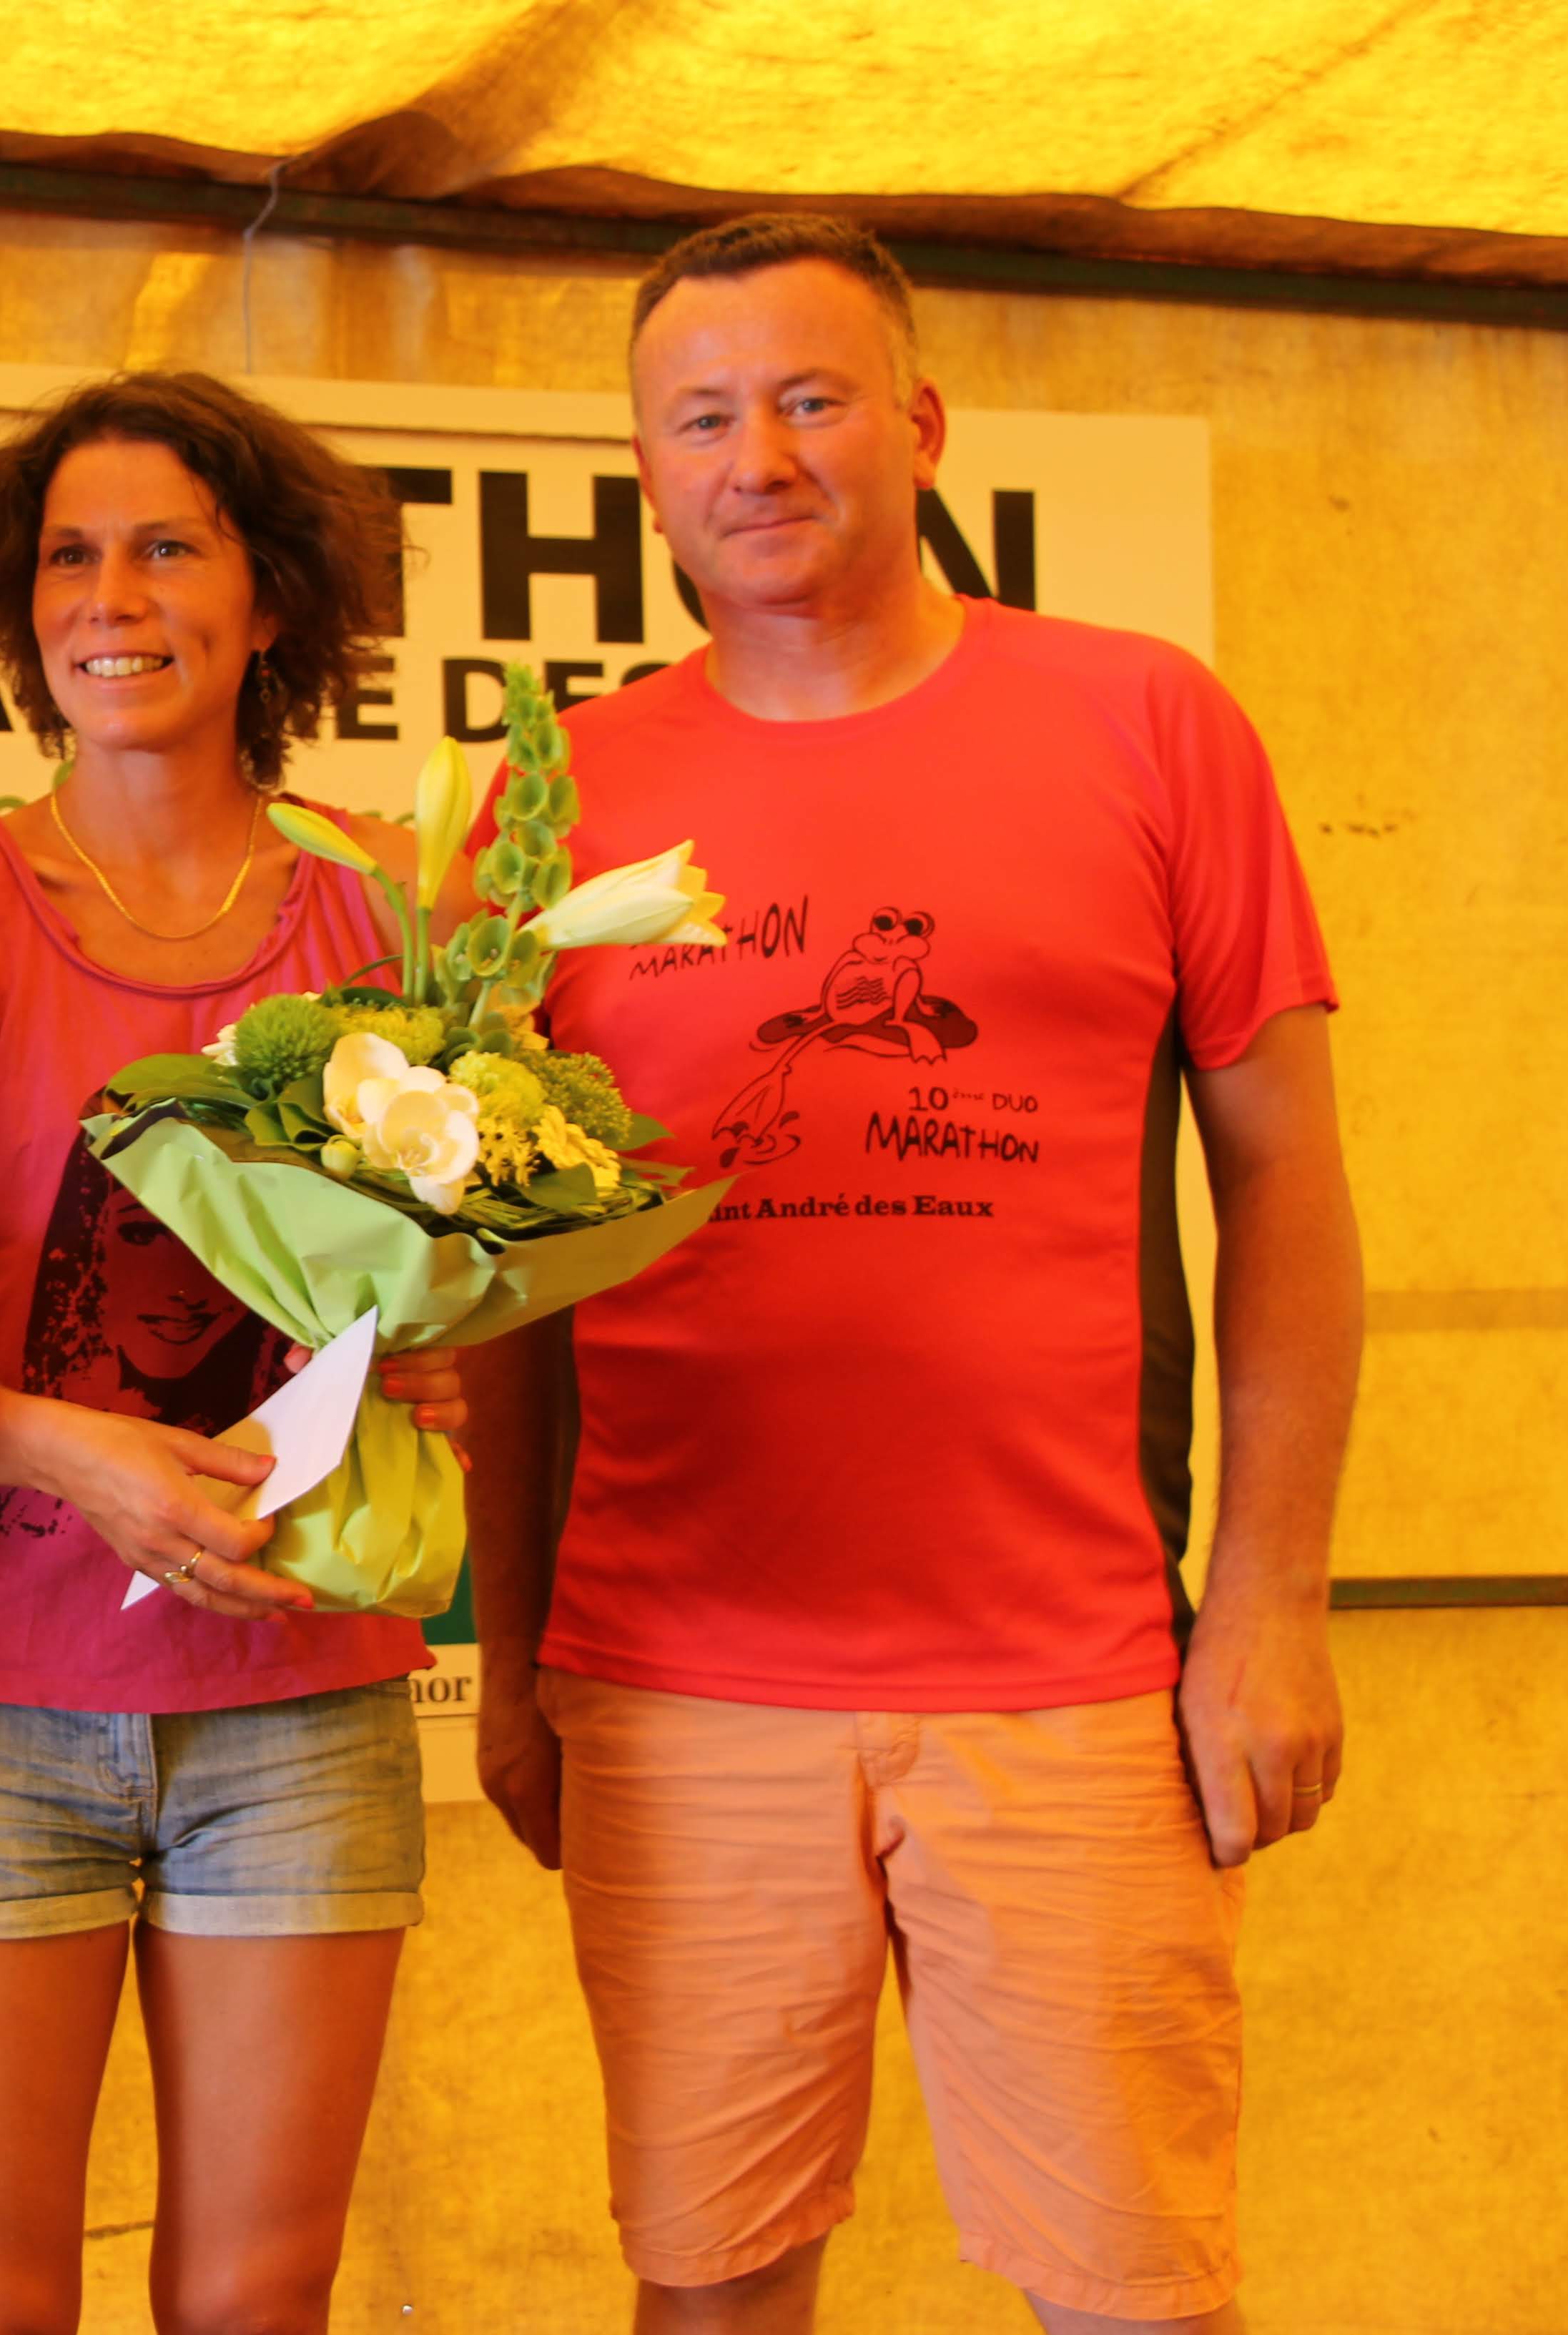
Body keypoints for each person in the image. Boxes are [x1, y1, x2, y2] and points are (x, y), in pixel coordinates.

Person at [462, 215, 1359, 2335]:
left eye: (809, 399)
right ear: (646, 473)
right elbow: (504, 1286)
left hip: (1075, 1681)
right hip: (672, 1684)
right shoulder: (556, 800)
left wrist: (1265, 1610)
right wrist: (508, 1658)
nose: (757, 457)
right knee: (710, 2287)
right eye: (700, 419)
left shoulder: (1148, 725)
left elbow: (1292, 1196)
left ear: (924, 426)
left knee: (1141, 2295)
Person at [0, 372, 467, 2335]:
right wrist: (74, 1450)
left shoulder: (396, 908)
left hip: (303, 1709)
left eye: (167, 547)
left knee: (259, 2297)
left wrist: (438, 1359)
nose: (109, 596)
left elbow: (451, 1287)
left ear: (270, 601)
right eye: (69, 557)